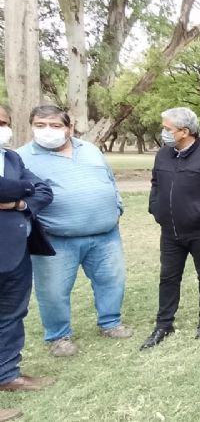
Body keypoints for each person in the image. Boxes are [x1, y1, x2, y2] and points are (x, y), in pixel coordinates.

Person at [17, 105, 130, 358]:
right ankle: (58, 336)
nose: (48, 131)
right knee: (53, 290)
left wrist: (117, 207)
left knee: (112, 281)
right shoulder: (21, 156)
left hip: (105, 234)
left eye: (55, 126)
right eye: (40, 125)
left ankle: (110, 322)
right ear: (32, 126)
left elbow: (110, 180)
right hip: (56, 239)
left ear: (69, 128)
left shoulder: (89, 149)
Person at [140, 107, 200, 350]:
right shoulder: (163, 154)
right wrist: (155, 206)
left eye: (167, 128)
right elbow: (156, 183)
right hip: (170, 232)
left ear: (184, 132)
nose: (163, 132)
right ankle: (164, 323)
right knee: (168, 277)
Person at [0, 107, 55, 419]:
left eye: (4, 123)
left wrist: (19, 201)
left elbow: (44, 189)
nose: (2, 128)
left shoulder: (11, 158)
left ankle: (7, 374)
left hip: (14, 251)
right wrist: (20, 188)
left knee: (12, 314)